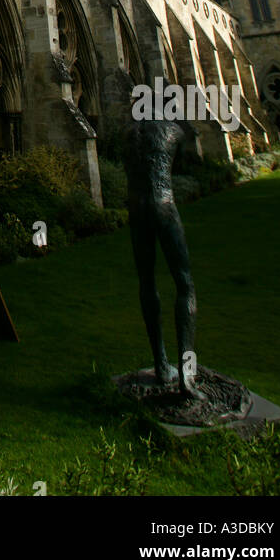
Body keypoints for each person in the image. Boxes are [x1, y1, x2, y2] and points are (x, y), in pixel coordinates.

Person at [121, 102, 204, 400]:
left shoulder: (131, 133)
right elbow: (187, 139)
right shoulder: (171, 127)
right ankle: (187, 375)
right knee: (185, 283)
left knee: (147, 282)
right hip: (164, 205)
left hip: (137, 208)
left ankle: (161, 363)